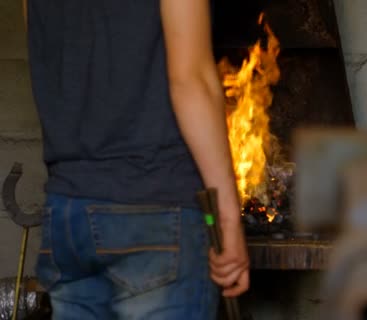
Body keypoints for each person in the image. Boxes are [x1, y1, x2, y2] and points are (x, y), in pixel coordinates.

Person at [24, 0, 249, 318]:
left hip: (67, 214)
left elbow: (50, 61)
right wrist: (226, 216)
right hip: (157, 212)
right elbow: (191, 81)